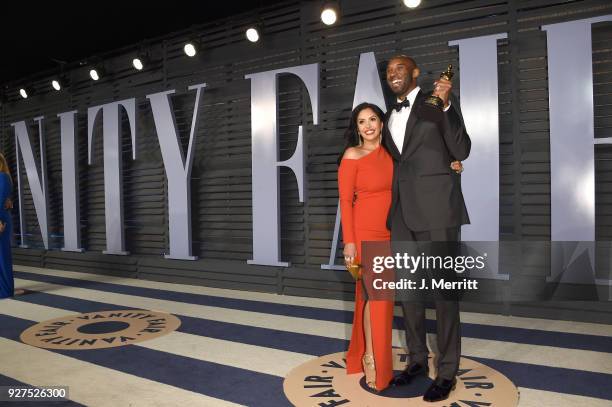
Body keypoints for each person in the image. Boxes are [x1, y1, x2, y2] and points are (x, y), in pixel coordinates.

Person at [383, 55, 471, 402]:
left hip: (438, 211)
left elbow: (461, 148)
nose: (393, 74)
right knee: (410, 295)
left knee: (444, 297)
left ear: (415, 72)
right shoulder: (389, 113)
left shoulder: (436, 102)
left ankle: (447, 370)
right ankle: (417, 360)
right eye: (389, 70)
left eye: (399, 68)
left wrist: (447, 106)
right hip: (403, 214)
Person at [338, 102, 395, 392]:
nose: (368, 125)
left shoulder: (392, 154)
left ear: (382, 123)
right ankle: (373, 359)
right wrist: (349, 242)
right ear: (357, 128)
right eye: (362, 121)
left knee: (373, 299)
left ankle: (365, 354)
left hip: (391, 234)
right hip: (363, 235)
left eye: (373, 119)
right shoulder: (352, 155)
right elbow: (346, 201)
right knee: (378, 300)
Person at [0, 152, 15, 299]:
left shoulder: (2, 177)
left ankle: (5, 291)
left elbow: (0, 202)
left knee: (3, 257)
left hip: (1, 221)